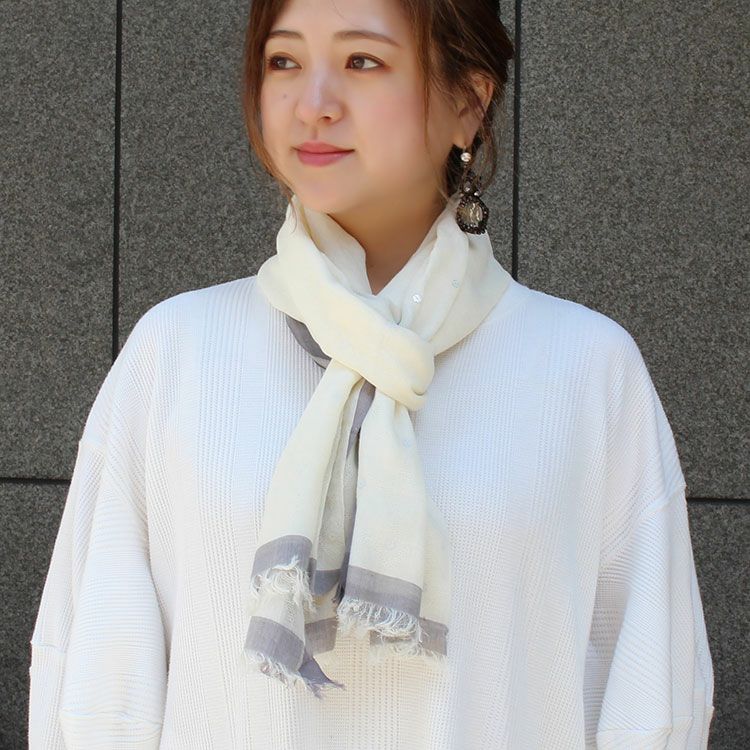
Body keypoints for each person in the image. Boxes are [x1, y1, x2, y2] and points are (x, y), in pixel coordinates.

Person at [28, 0, 715, 747]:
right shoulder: (178, 354)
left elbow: (649, 700)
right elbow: (97, 684)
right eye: (284, 61)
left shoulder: (586, 371)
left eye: (363, 61)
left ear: (469, 102)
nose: (312, 104)